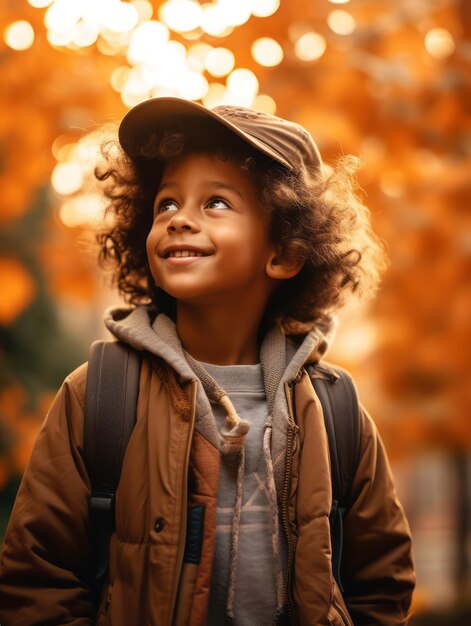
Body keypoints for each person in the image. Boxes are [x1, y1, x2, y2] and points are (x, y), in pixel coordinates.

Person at [0, 97, 415, 625]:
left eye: (215, 203)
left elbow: (382, 580)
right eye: (166, 204)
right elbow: (36, 580)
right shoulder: (99, 396)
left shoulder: (335, 410)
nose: (179, 221)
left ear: (284, 252)